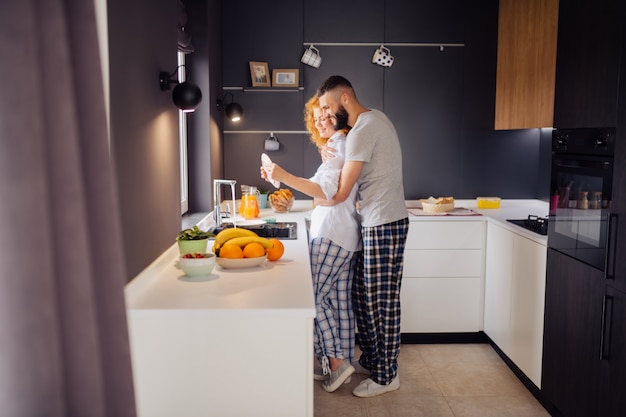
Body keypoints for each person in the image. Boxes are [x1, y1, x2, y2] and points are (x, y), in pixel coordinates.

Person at [260, 95, 361, 393]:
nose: (321, 120)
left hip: (331, 233)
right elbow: (320, 192)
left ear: (339, 113)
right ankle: (341, 363)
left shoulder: (339, 145)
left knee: (314, 297)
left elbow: (326, 192)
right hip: (345, 235)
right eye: (317, 117)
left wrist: (282, 175)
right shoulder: (341, 144)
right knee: (340, 303)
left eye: (327, 113)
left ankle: (334, 362)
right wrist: (285, 179)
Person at [316, 75, 409, 398]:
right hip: (377, 221)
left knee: (379, 302)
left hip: (383, 221)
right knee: (364, 297)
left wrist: (311, 189)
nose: (326, 115)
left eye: (328, 106)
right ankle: (374, 360)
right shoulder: (372, 121)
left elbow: (339, 193)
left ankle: (386, 376)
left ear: (346, 97)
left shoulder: (363, 129)